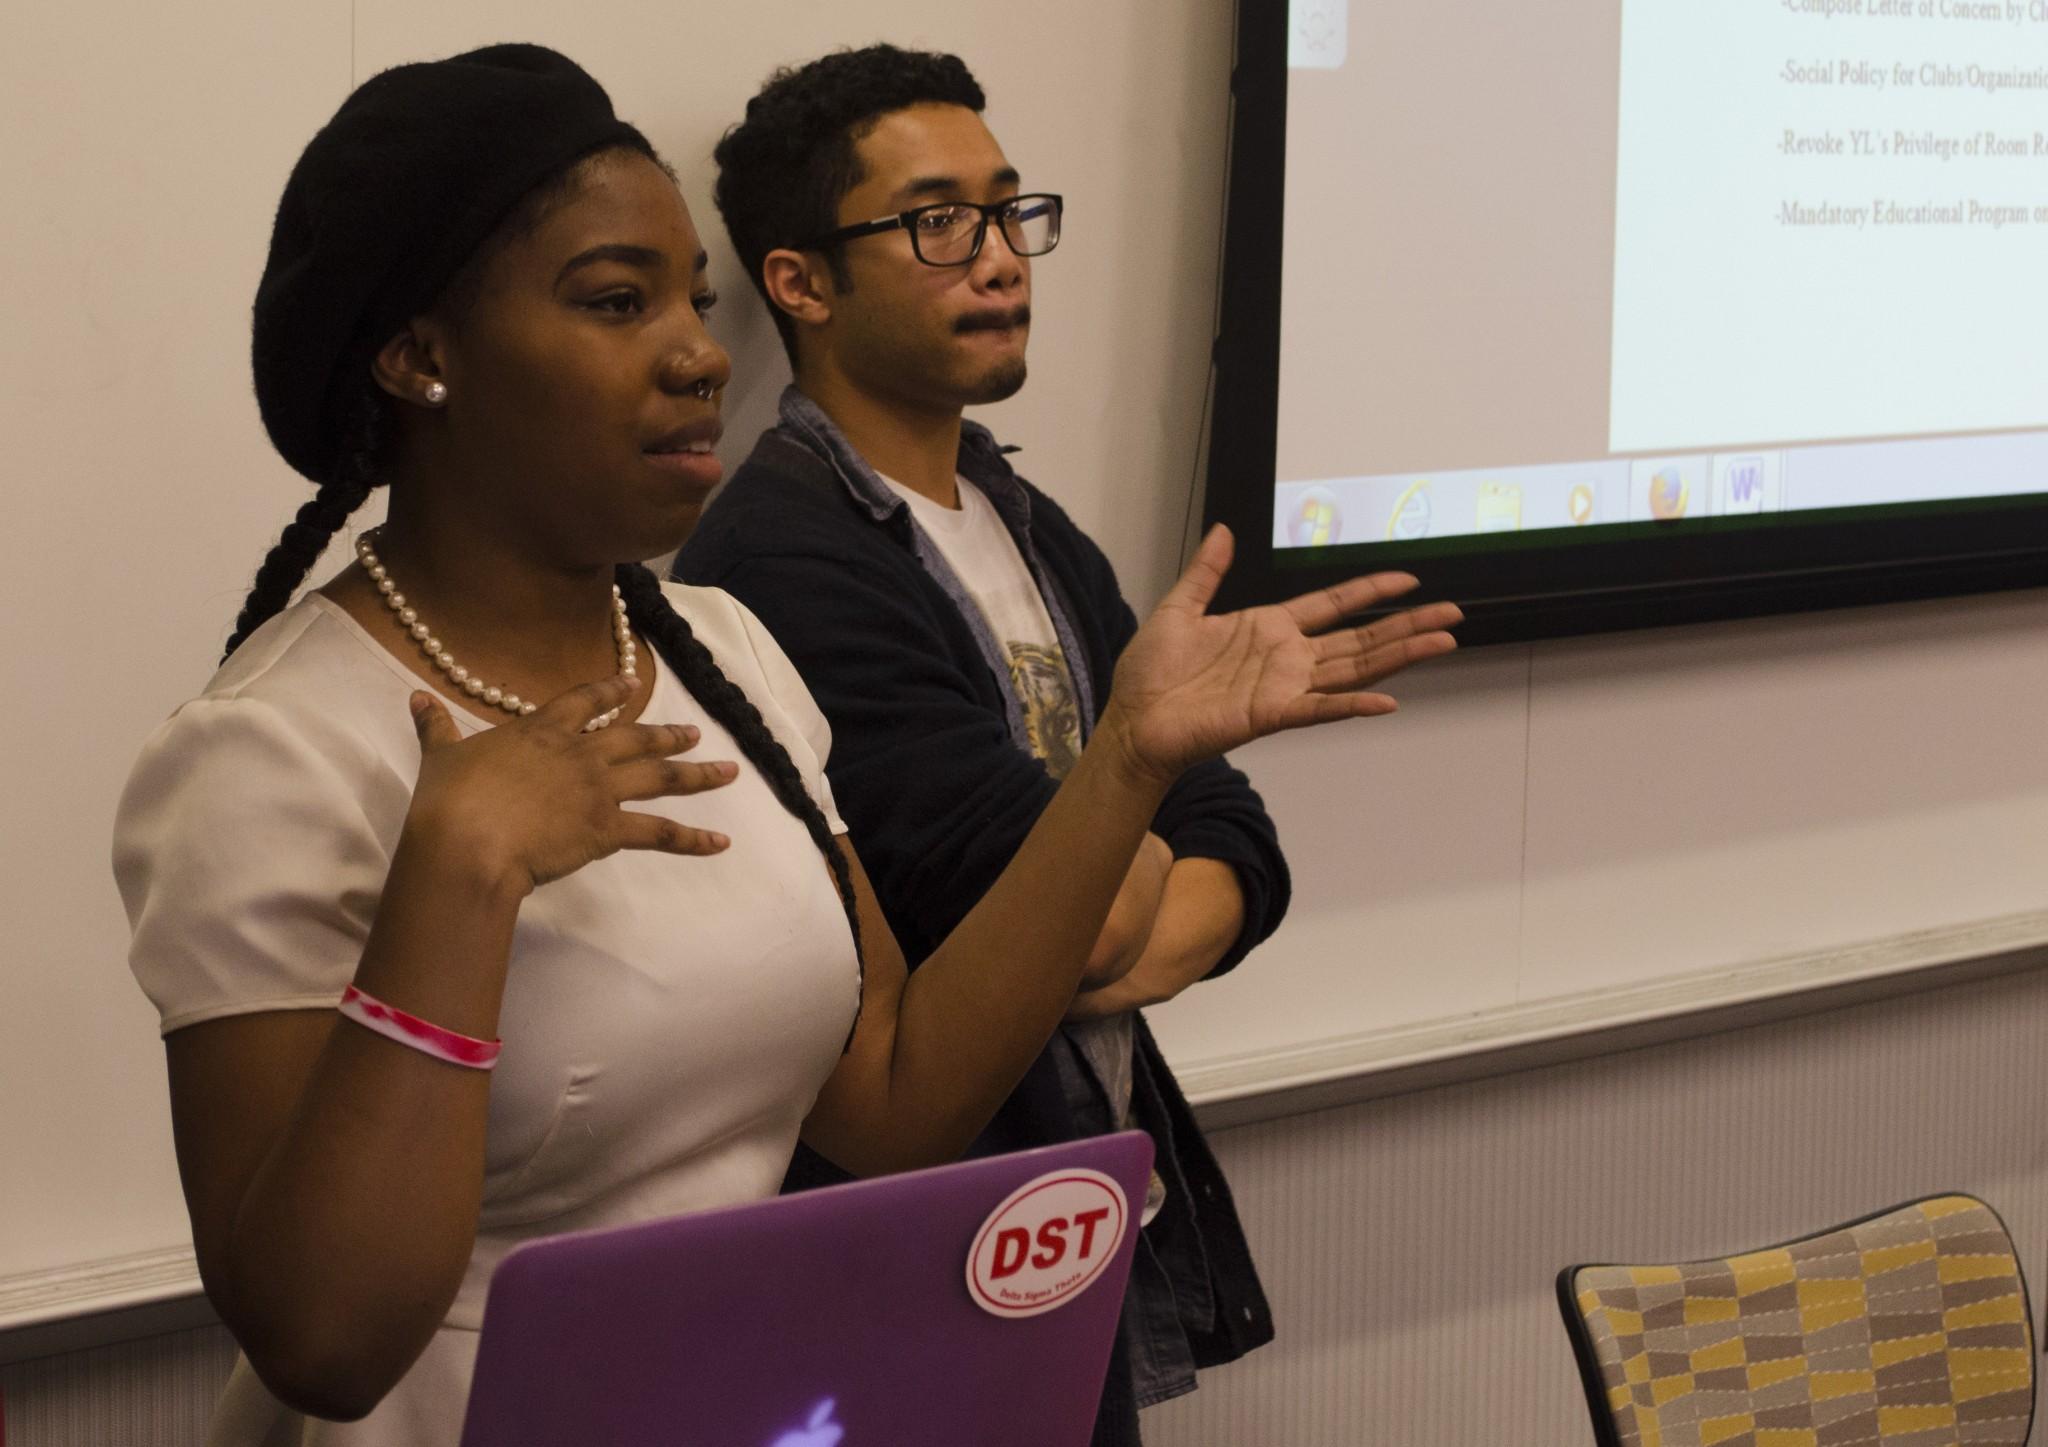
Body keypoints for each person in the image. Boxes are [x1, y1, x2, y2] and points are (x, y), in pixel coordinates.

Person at [112, 43, 1459, 1446]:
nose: (701, 353)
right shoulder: (265, 756)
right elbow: (321, 1344)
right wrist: (456, 881)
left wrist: (1124, 763)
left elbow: (892, 1100)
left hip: (743, 1407)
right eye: (617, 303)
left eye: (692, 300)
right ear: (421, 356)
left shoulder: (725, 652)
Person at [678, 46, 1446, 1441]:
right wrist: (1110, 868)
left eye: (1010, 210)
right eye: (936, 221)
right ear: (799, 282)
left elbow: (1235, 852)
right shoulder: (779, 559)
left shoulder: (1023, 520)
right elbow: (1050, 900)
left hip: (1066, 1223)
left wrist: (1105, 889)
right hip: (905, 1260)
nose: (998, 259)